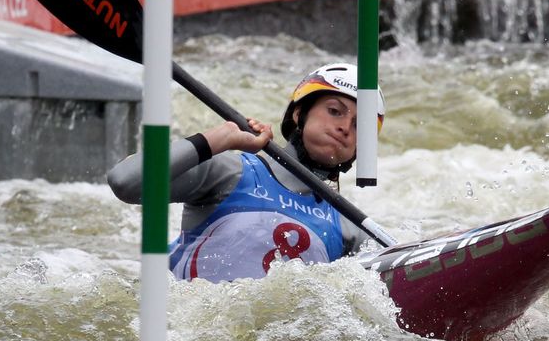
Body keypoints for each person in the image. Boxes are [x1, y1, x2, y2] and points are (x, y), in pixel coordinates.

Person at [107, 62, 385, 283]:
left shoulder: (350, 230)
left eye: (359, 125)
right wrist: (220, 138)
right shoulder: (230, 172)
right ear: (299, 113)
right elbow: (125, 181)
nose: (345, 127)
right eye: (335, 111)